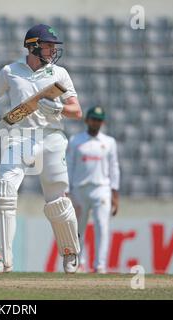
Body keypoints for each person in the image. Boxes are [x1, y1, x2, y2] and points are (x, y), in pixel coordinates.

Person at [0, 24, 83, 274]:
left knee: (57, 199)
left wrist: (58, 109)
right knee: (3, 189)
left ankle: (69, 252)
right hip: (19, 137)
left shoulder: (59, 73)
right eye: (48, 45)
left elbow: (77, 111)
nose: (53, 50)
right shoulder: (10, 71)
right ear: (33, 46)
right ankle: (1, 258)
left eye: (54, 46)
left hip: (52, 137)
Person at [67, 106, 120, 274]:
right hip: (79, 190)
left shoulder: (109, 142)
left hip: (101, 190)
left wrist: (115, 194)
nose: (96, 122)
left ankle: (100, 265)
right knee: (78, 229)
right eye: (93, 119)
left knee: (102, 226)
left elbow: (114, 168)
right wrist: (67, 191)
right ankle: (79, 263)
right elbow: (68, 166)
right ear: (87, 120)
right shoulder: (76, 140)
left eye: (99, 120)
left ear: (102, 122)